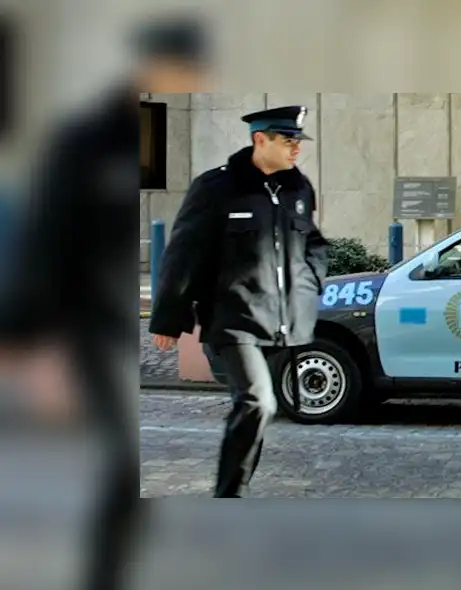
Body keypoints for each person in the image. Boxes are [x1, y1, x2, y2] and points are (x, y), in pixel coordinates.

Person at [0, 15, 211, 589]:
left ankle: (109, 569)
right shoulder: (85, 140)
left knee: (130, 469)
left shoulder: (148, 132)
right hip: (87, 327)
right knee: (128, 461)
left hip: (122, 318)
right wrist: (30, 343)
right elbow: (49, 241)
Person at [149, 105, 329, 498]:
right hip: (233, 318)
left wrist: (312, 279)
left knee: (258, 409)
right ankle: (229, 496)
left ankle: (236, 488)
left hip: (281, 318)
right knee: (258, 401)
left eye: (298, 141)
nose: (296, 149)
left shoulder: (298, 189)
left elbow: (312, 242)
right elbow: (183, 254)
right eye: (287, 140)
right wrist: (168, 319)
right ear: (259, 139)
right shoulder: (217, 187)